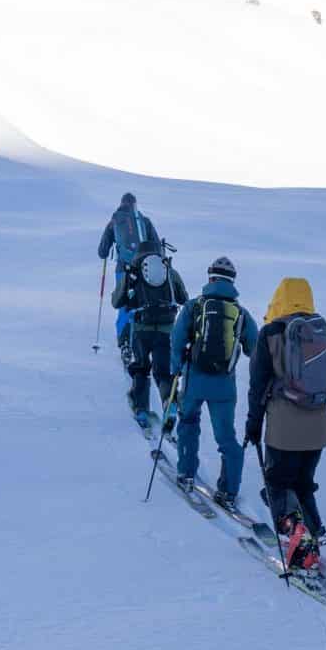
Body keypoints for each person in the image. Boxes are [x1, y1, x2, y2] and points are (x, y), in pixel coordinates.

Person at [244, 277, 326, 566]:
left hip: (283, 428)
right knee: (303, 483)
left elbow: (257, 386)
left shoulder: (269, 334)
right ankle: (312, 535)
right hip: (319, 427)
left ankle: (297, 533)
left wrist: (253, 425)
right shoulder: (320, 332)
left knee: (277, 483)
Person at [170, 256, 258, 508]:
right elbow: (255, 348)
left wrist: (177, 368)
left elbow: (176, 341)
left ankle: (186, 474)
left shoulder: (195, 306)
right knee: (226, 438)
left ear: (210, 278)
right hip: (224, 386)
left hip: (194, 381)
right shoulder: (240, 313)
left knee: (188, 423)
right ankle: (228, 490)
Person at [111, 236, 187, 427]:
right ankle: (169, 404)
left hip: (140, 329)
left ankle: (141, 410)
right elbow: (183, 298)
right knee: (163, 372)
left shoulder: (134, 271)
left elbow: (116, 302)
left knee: (141, 368)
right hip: (166, 330)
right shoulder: (169, 271)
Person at [98, 193, 159, 364]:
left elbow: (102, 251)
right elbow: (157, 247)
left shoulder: (114, 221)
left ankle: (124, 344)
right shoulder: (144, 221)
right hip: (142, 269)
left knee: (124, 304)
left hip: (122, 270)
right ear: (135, 205)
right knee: (140, 303)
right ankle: (139, 341)